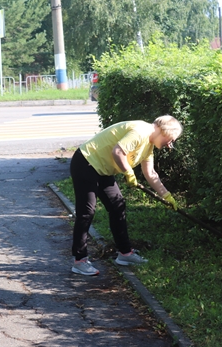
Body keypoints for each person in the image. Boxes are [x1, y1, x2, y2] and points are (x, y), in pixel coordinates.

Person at [70, 115, 183, 276]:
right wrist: (128, 172)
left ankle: (125, 254)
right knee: (87, 211)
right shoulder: (141, 131)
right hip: (86, 162)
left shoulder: (149, 145)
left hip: (103, 169)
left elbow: (150, 173)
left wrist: (167, 196)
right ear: (165, 131)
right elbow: (118, 151)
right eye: (171, 139)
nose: (170, 144)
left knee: (118, 206)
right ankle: (79, 260)